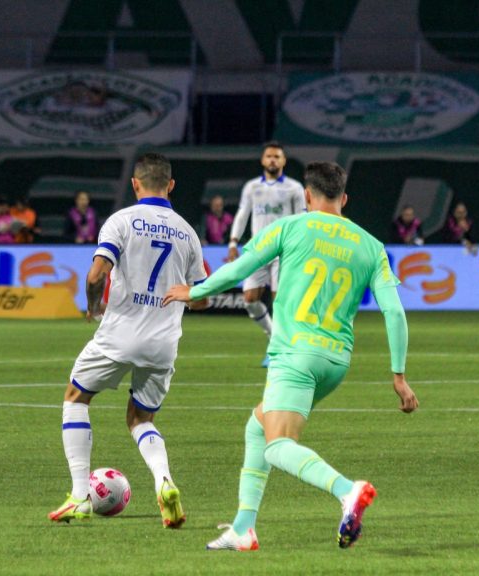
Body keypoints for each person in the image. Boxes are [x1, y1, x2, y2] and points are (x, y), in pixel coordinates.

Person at [164, 162, 418, 551]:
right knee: (258, 424)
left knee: (278, 445)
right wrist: (398, 375)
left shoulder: (289, 227)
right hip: (335, 362)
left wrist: (195, 292)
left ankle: (347, 491)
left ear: (308, 197)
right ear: (344, 198)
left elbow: (239, 270)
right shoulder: (371, 245)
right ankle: (243, 528)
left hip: (295, 354)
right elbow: (395, 313)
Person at [48, 153, 208, 528]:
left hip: (119, 334)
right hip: (162, 342)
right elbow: (200, 298)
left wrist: (92, 308)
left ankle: (79, 496)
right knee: (140, 418)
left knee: (76, 398)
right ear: (170, 185)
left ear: (135, 184)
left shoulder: (121, 221)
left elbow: (95, 275)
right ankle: (163, 480)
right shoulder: (188, 232)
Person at [228, 141, 306, 366]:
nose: (273, 160)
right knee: (250, 300)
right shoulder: (252, 187)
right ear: (263, 160)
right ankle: (274, 338)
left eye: (277, 156)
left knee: (279, 301)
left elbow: (302, 218)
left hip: (284, 251)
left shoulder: (294, 187)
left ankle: (280, 350)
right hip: (258, 249)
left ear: (284, 161)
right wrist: (233, 241)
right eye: (269, 156)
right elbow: (243, 214)